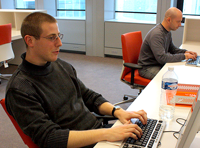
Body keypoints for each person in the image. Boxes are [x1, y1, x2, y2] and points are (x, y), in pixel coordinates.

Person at [5, 12, 147, 148]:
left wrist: (118, 112)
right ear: (30, 40)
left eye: (59, 36)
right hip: (82, 143)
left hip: (97, 134)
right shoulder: (19, 88)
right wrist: (107, 133)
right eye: (52, 37)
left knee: (149, 135)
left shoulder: (61, 65)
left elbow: (88, 96)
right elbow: (50, 138)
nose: (59, 43)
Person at [138, 7, 197, 80]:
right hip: (147, 68)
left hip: (158, 64)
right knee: (172, 79)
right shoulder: (157, 34)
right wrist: (185, 56)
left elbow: (172, 49)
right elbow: (162, 58)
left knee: (178, 74)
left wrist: (185, 52)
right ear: (169, 20)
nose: (180, 25)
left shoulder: (167, 32)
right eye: (178, 21)